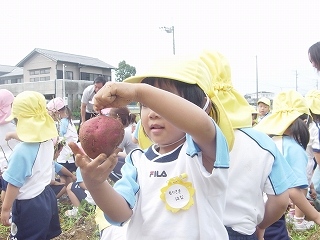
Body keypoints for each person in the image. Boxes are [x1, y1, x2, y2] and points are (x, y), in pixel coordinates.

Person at [69, 54, 236, 239]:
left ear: (202, 107)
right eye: (145, 105)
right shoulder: (137, 160)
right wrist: (95, 184)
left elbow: (201, 125)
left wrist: (140, 92)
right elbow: (121, 213)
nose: (153, 113)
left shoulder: (202, 152)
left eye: (162, 103)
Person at [199, 50, 294, 239]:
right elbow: (280, 201)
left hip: (192, 229)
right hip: (240, 231)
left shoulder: (179, 139)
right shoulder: (262, 142)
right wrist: (261, 226)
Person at [255, 90, 320, 238]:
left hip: (255, 208)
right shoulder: (294, 148)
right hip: (272, 212)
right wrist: (316, 216)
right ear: (304, 122)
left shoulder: (268, 141)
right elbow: (293, 190)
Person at [0, 91, 61, 239]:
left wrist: (6, 209)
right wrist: (12, 135)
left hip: (29, 204)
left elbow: (14, 184)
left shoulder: (21, 151)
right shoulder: (47, 139)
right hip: (46, 196)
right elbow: (30, 136)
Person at [47, 97, 78, 184]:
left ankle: (65, 190)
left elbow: (60, 136)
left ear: (57, 112)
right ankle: (68, 191)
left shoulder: (63, 123)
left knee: (63, 177)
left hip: (65, 155)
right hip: (70, 154)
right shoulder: (68, 120)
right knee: (68, 176)